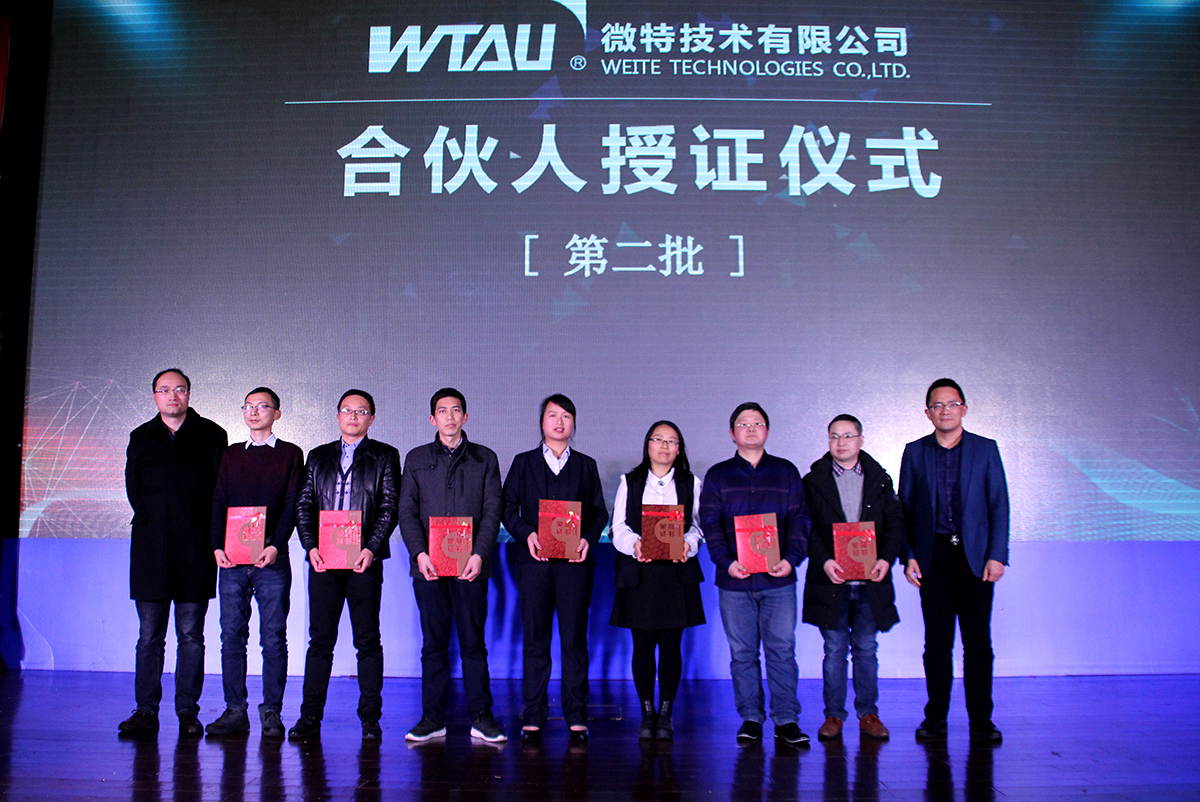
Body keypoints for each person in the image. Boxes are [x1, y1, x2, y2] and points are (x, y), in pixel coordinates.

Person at [900, 379, 1009, 743]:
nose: (945, 410)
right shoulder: (915, 452)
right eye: (937, 405)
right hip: (934, 557)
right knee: (937, 644)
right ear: (928, 412)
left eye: (951, 404)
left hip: (975, 558)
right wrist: (909, 556)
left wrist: (996, 555)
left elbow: (999, 504)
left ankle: (982, 720)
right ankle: (935, 719)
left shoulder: (985, 449)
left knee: (978, 643)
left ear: (963, 409)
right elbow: (905, 510)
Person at [120, 368, 228, 736]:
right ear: (154, 396)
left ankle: (187, 713)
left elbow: (219, 493)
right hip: (150, 550)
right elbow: (134, 490)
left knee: (191, 636)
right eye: (164, 390)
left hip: (194, 550)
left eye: (179, 389)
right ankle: (145, 711)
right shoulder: (141, 437)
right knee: (149, 636)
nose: (172, 396)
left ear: (189, 393)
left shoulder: (212, 435)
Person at [288, 389, 401, 742]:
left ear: (372, 418)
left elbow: (389, 506)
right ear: (338, 416)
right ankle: (309, 716)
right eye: (347, 410)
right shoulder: (318, 456)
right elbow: (304, 505)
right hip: (324, 561)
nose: (353, 416)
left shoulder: (385, 455)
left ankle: (370, 718)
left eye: (361, 411)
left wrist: (371, 548)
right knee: (320, 641)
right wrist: (310, 547)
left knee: (368, 640)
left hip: (363, 561)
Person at [397, 388, 506, 743]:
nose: (449, 416)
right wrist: (419, 553)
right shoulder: (416, 458)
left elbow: (492, 511)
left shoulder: (485, 459)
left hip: (471, 567)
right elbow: (406, 512)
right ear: (433, 419)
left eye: (456, 410)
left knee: (473, 643)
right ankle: (432, 719)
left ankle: (482, 717)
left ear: (465, 417)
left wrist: (479, 554)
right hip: (428, 567)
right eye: (442, 411)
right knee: (434, 644)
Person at [700, 402, 811, 746]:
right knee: (742, 654)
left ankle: (786, 719)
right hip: (734, 580)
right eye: (743, 424)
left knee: (782, 650)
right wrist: (725, 561)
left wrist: (791, 559)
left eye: (757, 423)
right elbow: (710, 524)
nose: (750, 429)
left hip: (779, 580)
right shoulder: (718, 475)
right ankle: (750, 717)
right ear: (732, 433)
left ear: (767, 430)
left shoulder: (786, 472)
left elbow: (800, 520)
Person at [502, 394, 608, 744]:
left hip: (575, 564)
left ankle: (576, 714)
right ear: (542, 422)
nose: (559, 422)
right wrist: (527, 534)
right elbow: (507, 508)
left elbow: (599, 512)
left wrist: (587, 539)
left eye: (566, 416)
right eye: (552, 415)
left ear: (573, 423)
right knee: (536, 638)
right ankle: (533, 713)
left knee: (574, 638)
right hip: (534, 562)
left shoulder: (586, 465)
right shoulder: (524, 463)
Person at [206, 387, 304, 738]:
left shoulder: (290, 454)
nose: (254, 411)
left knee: (273, 637)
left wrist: (277, 545)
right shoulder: (231, 454)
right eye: (248, 406)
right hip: (232, 559)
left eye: (262, 406)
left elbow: (292, 504)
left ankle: (272, 711)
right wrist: (216, 546)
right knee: (232, 635)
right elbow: (218, 500)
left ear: (276, 413)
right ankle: (235, 710)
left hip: (271, 559)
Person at [802, 414, 904, 742]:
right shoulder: (813, 481)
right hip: (831, 580)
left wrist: (886, 559)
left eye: (848, 436)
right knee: (834, 650)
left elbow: (895, 523)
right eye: (834, 436)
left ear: (861, 440)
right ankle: (833, 715)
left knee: (865, 648)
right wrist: (824, 561)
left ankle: (868, 714)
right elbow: (806, 528)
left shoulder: (880, 479)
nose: (841, 442)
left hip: (870, 580)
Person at [609, 420, 705, 741]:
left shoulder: (691, 482)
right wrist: (634, 544)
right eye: (658, 439)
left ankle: (666, 712)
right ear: (648, 445)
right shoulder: (630, 481)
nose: (664, 446)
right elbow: (618, 527)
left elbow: (697, 526)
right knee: (643, 646)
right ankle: (646, 711)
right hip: (641, 572)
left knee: (671, 646)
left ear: (679, 449)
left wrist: (688, 545)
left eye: (671, 441)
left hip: (676, 573)